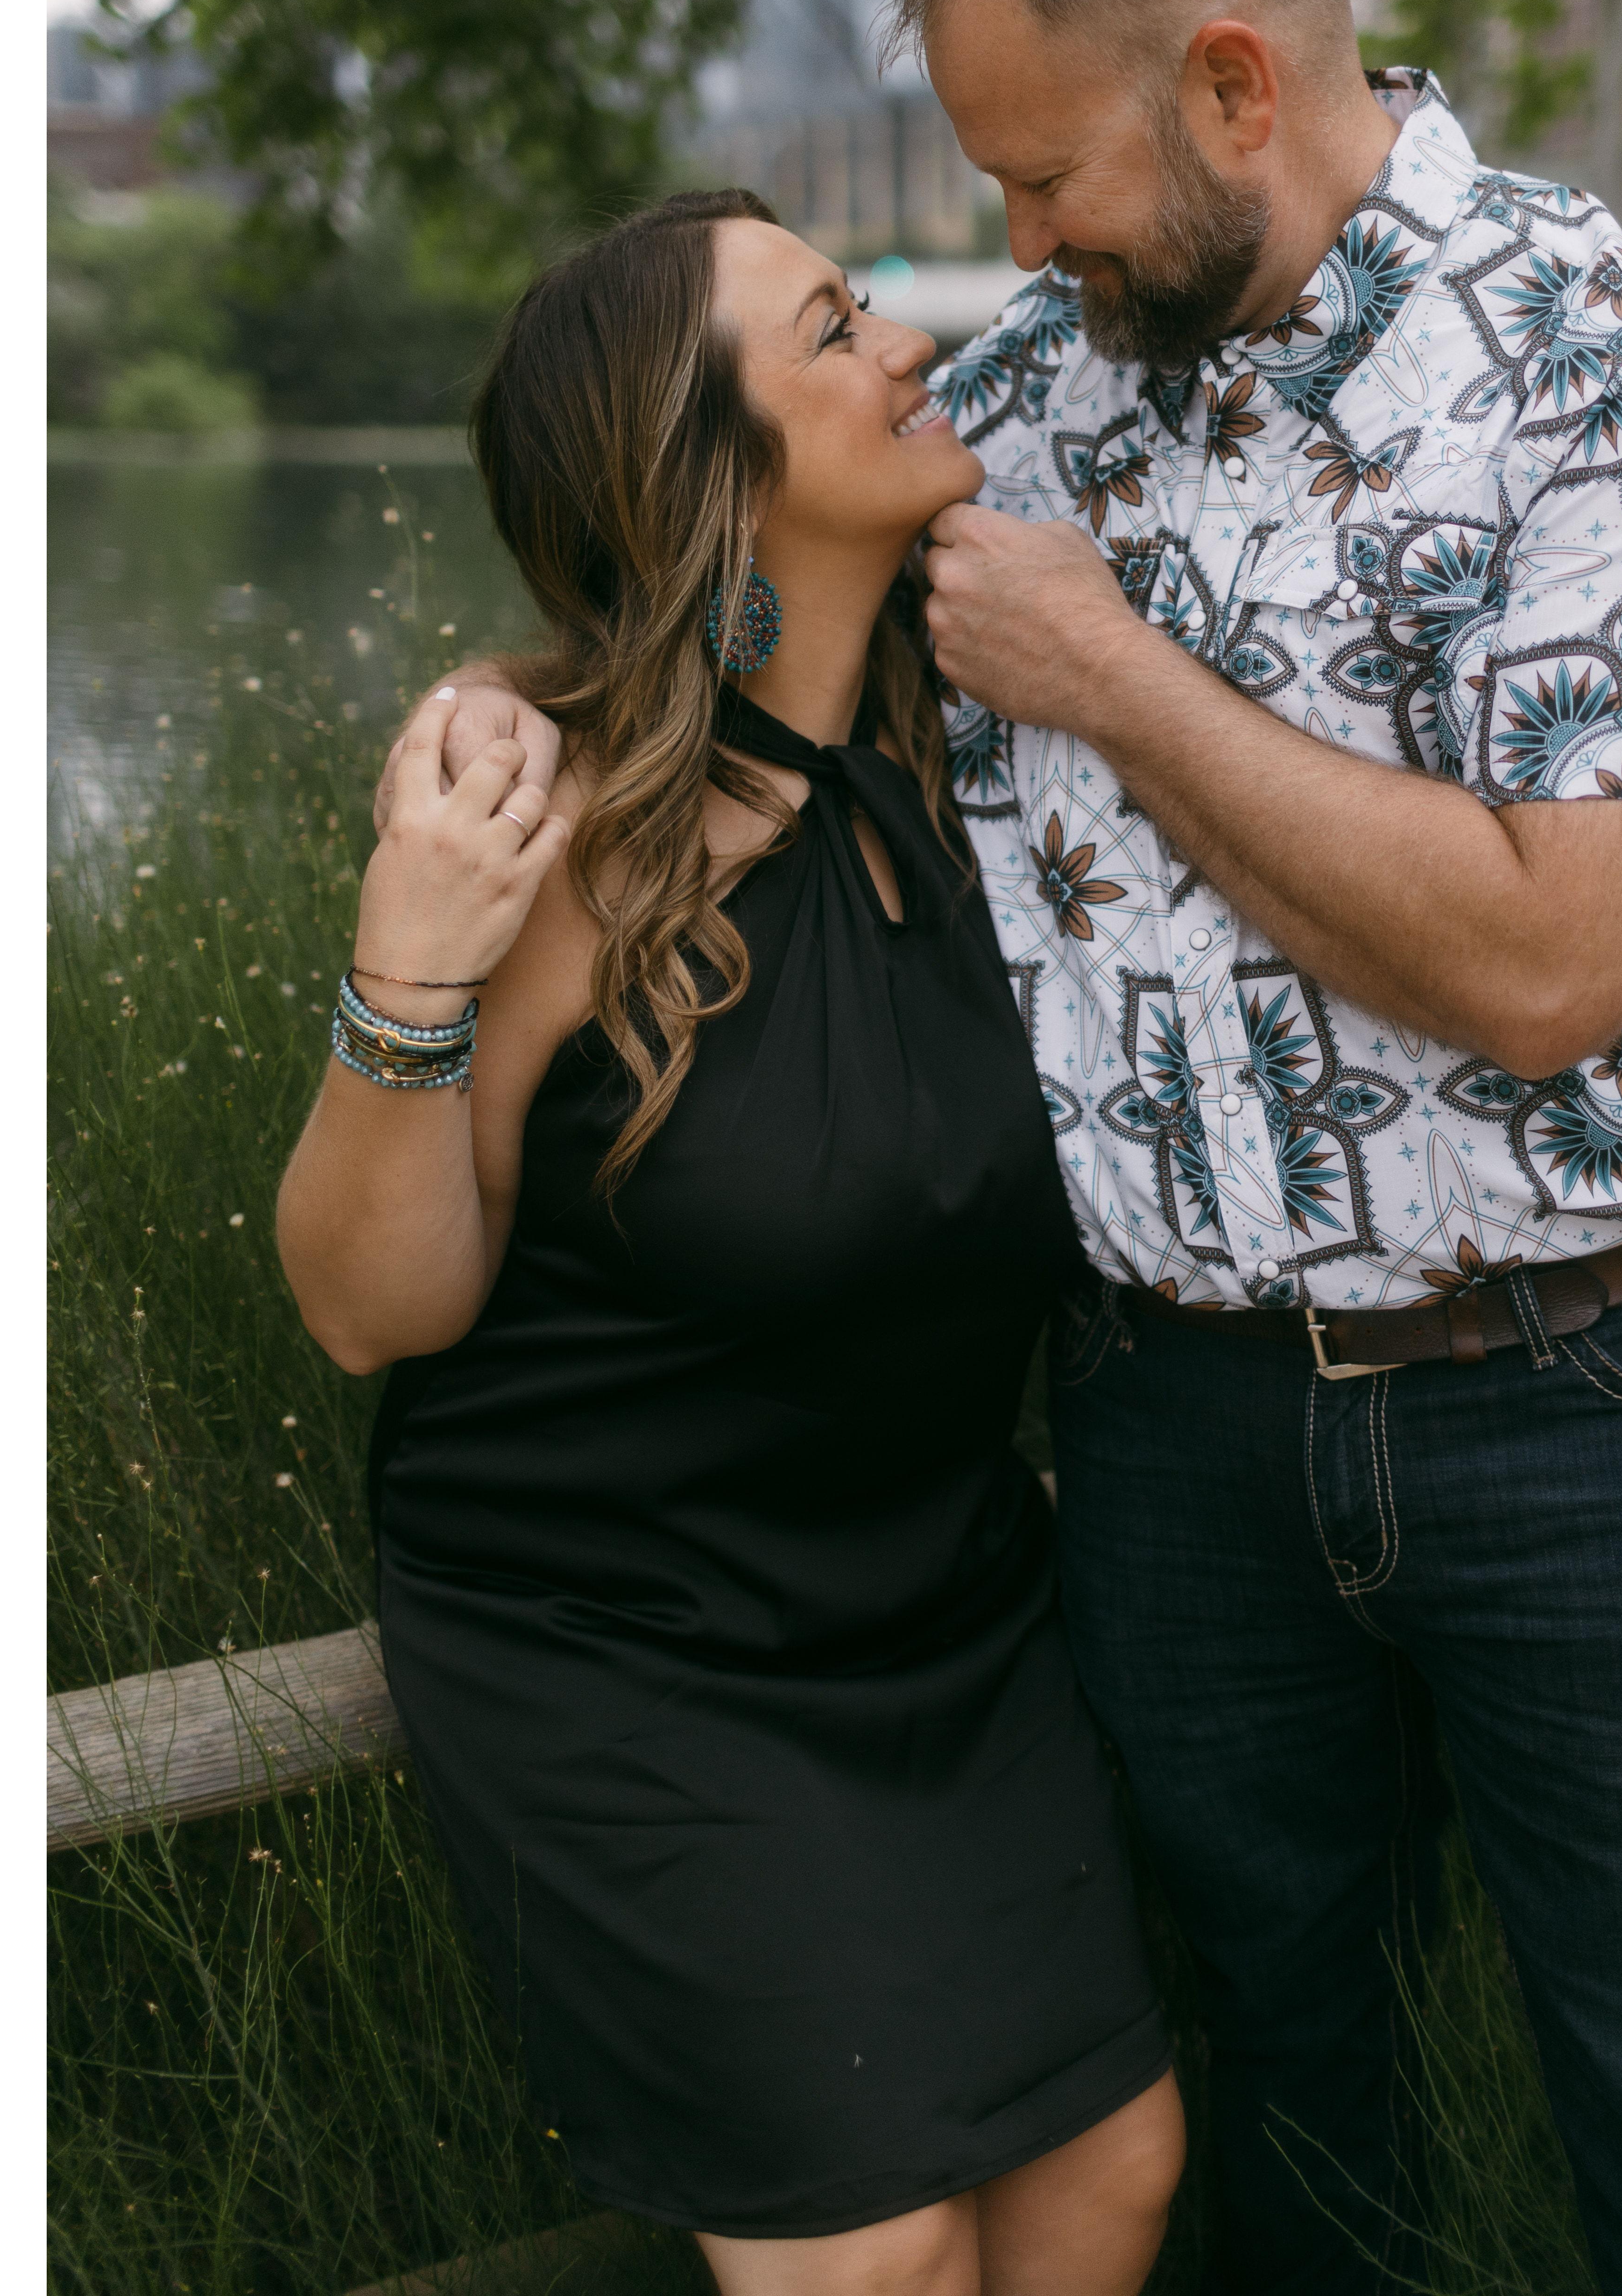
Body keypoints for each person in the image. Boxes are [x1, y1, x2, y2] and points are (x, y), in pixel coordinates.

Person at [428, 0, 1622, 2296]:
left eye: (1042, 172)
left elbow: (1561, 968)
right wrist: (497, 738)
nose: (1009, 246)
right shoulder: (1037, 383)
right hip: (1173, 1445)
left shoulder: (1615, 365)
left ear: (1234, 84)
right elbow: (722, 579)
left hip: (1603, 1409)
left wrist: (1114, 674)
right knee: (1294, 2157)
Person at [276, 187, 1184, 2296]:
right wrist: (405, 971)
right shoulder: (545, 847)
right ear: (709, 475)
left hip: (947, 1611)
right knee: (873, 2262)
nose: (909, 349)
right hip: (631, 1650)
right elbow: (364, 1309)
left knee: (1112, 2179)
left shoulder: (968, 757)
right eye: (836, 328)